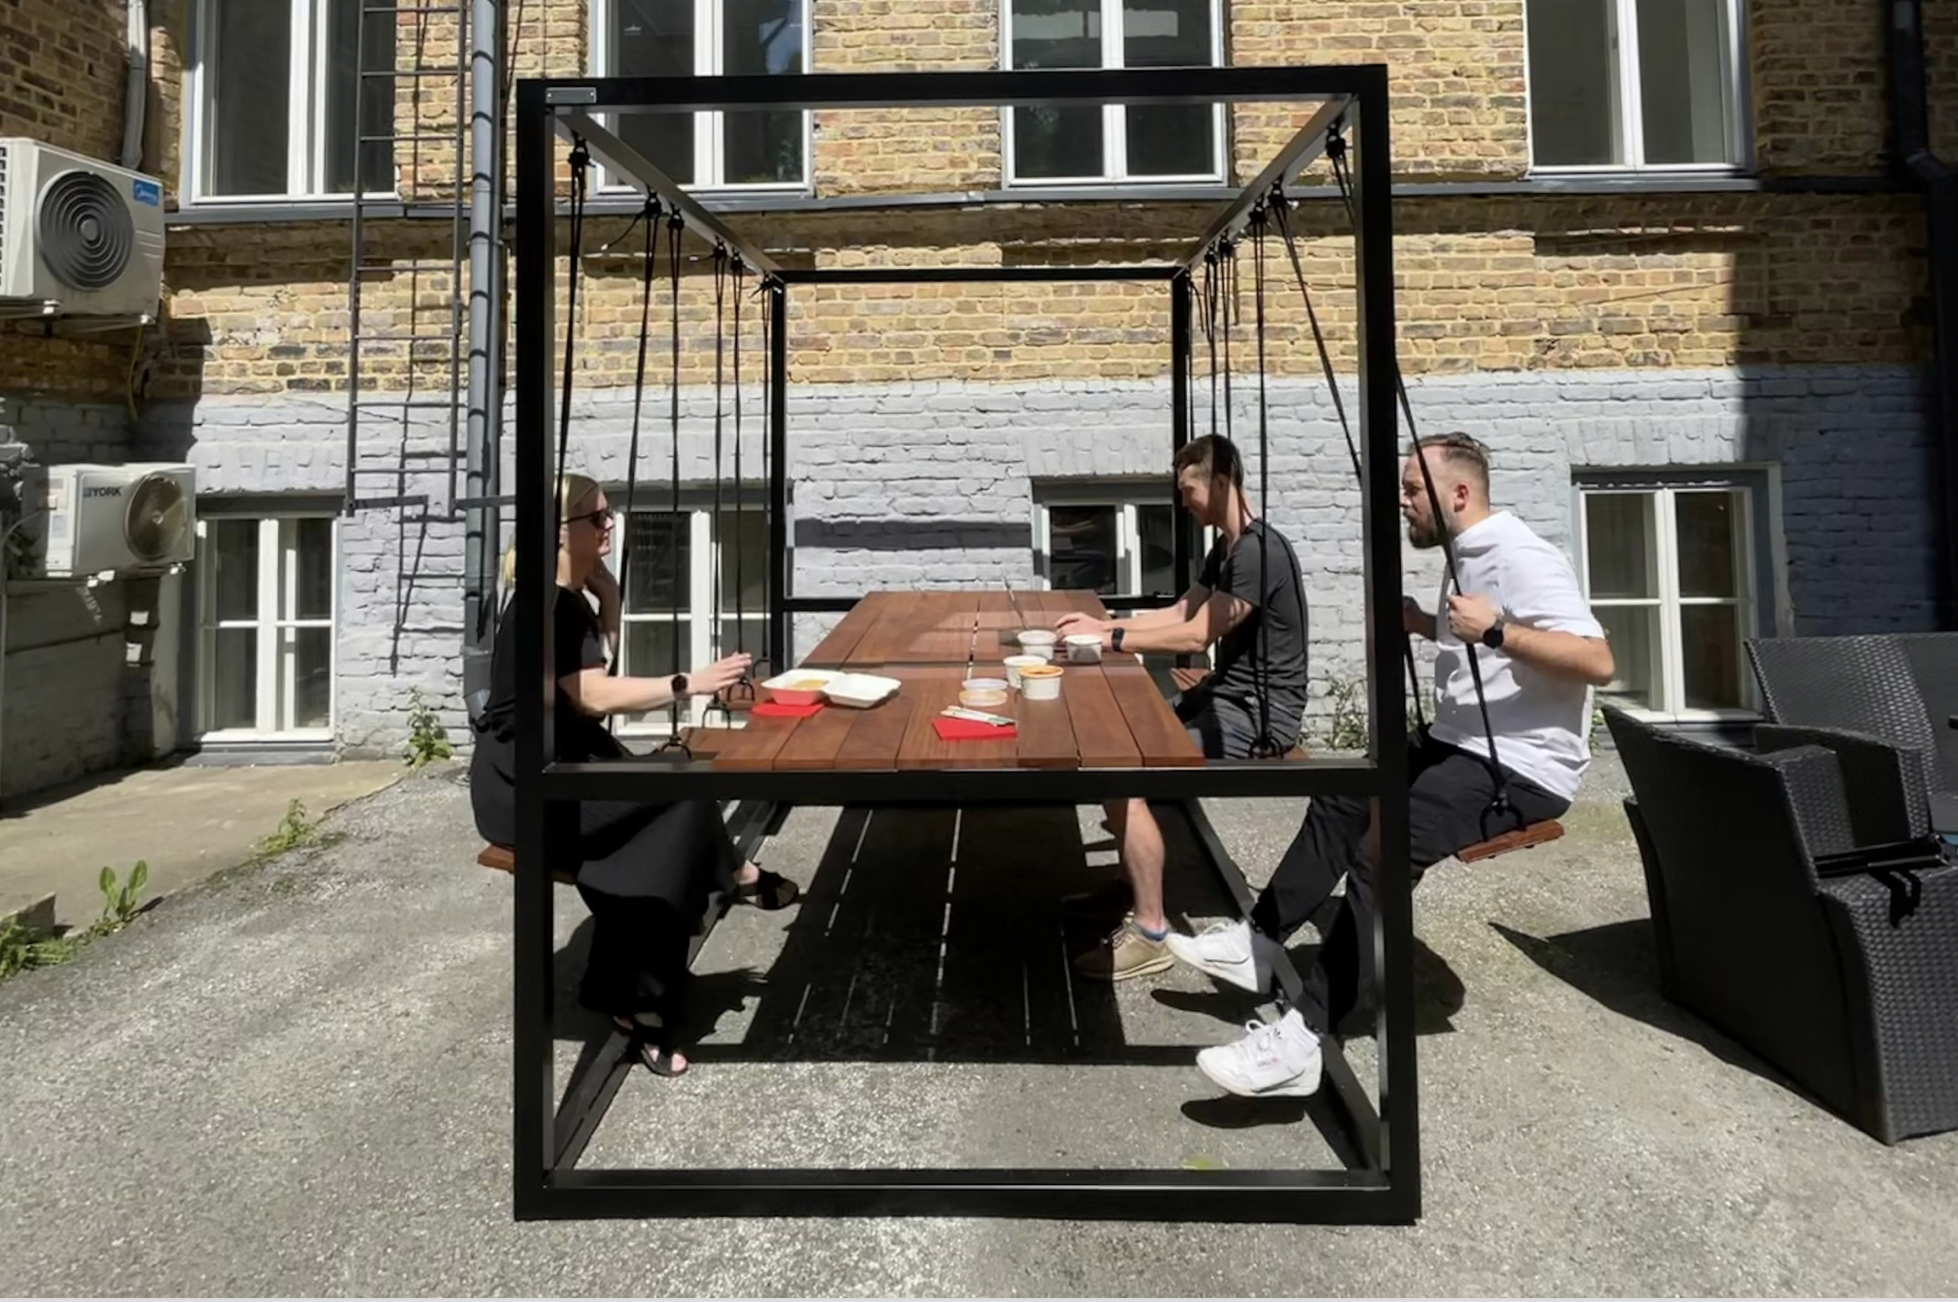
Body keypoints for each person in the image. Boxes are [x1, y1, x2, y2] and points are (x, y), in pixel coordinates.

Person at [1170, 432, 1614, 1098]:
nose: (1402, 501)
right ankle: (1259, 944)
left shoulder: (1523, 556)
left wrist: (1496, 631)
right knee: (1345, 792)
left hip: (1521, 768)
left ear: (1458, 493)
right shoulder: (1466, 551)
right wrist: (1426, 623)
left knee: (1382, 851)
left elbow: (1598, 661)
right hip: (1458, 742)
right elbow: (1480, 636)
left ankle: (1304, 1039)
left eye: (1412, 489)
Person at [469, 472, 801, 1077]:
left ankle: (632, 989)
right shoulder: (547, 603)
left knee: (677, 799)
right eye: (597, 517)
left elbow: (593, 677)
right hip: (527, 787)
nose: (610, 525)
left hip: (561, 762)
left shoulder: (564, 599)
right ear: (560, 532)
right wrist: (689, 683)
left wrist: (613, 600)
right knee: (680, 800)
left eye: (608, 513)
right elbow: (592, 695)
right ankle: (713, 897)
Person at [1052, 433, 1309, 982]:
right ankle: (1129, 884)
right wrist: (1105, 624)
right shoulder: (1230, 548)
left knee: (1122, 771)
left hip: (1258, 716)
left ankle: (1150, 933)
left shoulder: (1259, 552)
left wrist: (1110, 640)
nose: (1184, 500)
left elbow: (1195, 634)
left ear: (1221, 482)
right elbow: (1180, 610)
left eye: (1189, 488)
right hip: (1224, 694)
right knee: (1116, 739)